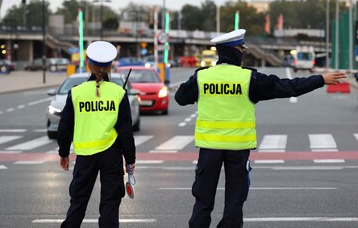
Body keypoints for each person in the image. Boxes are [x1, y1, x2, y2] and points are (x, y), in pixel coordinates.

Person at [174, 29, 346, 228]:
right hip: (238, 150)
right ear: (235, 52)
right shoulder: (250, 79)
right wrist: (320, 80)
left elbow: (180, 98)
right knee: (234, 203)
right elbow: (287, 87)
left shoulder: (202, 77)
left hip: (209, 150)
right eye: (241, 49)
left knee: (203, 202)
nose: (243, 53)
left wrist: (185, 90)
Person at [57, 41, 136, 228]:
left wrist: (63, 153)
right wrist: (130, 159)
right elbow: (126, 130)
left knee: (78, 203)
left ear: (88, 65)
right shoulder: (118, 93)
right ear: (110, 67)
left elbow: (65, 126)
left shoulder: (76, 93)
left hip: (85, 157)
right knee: (110, 205)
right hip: (111, 156)